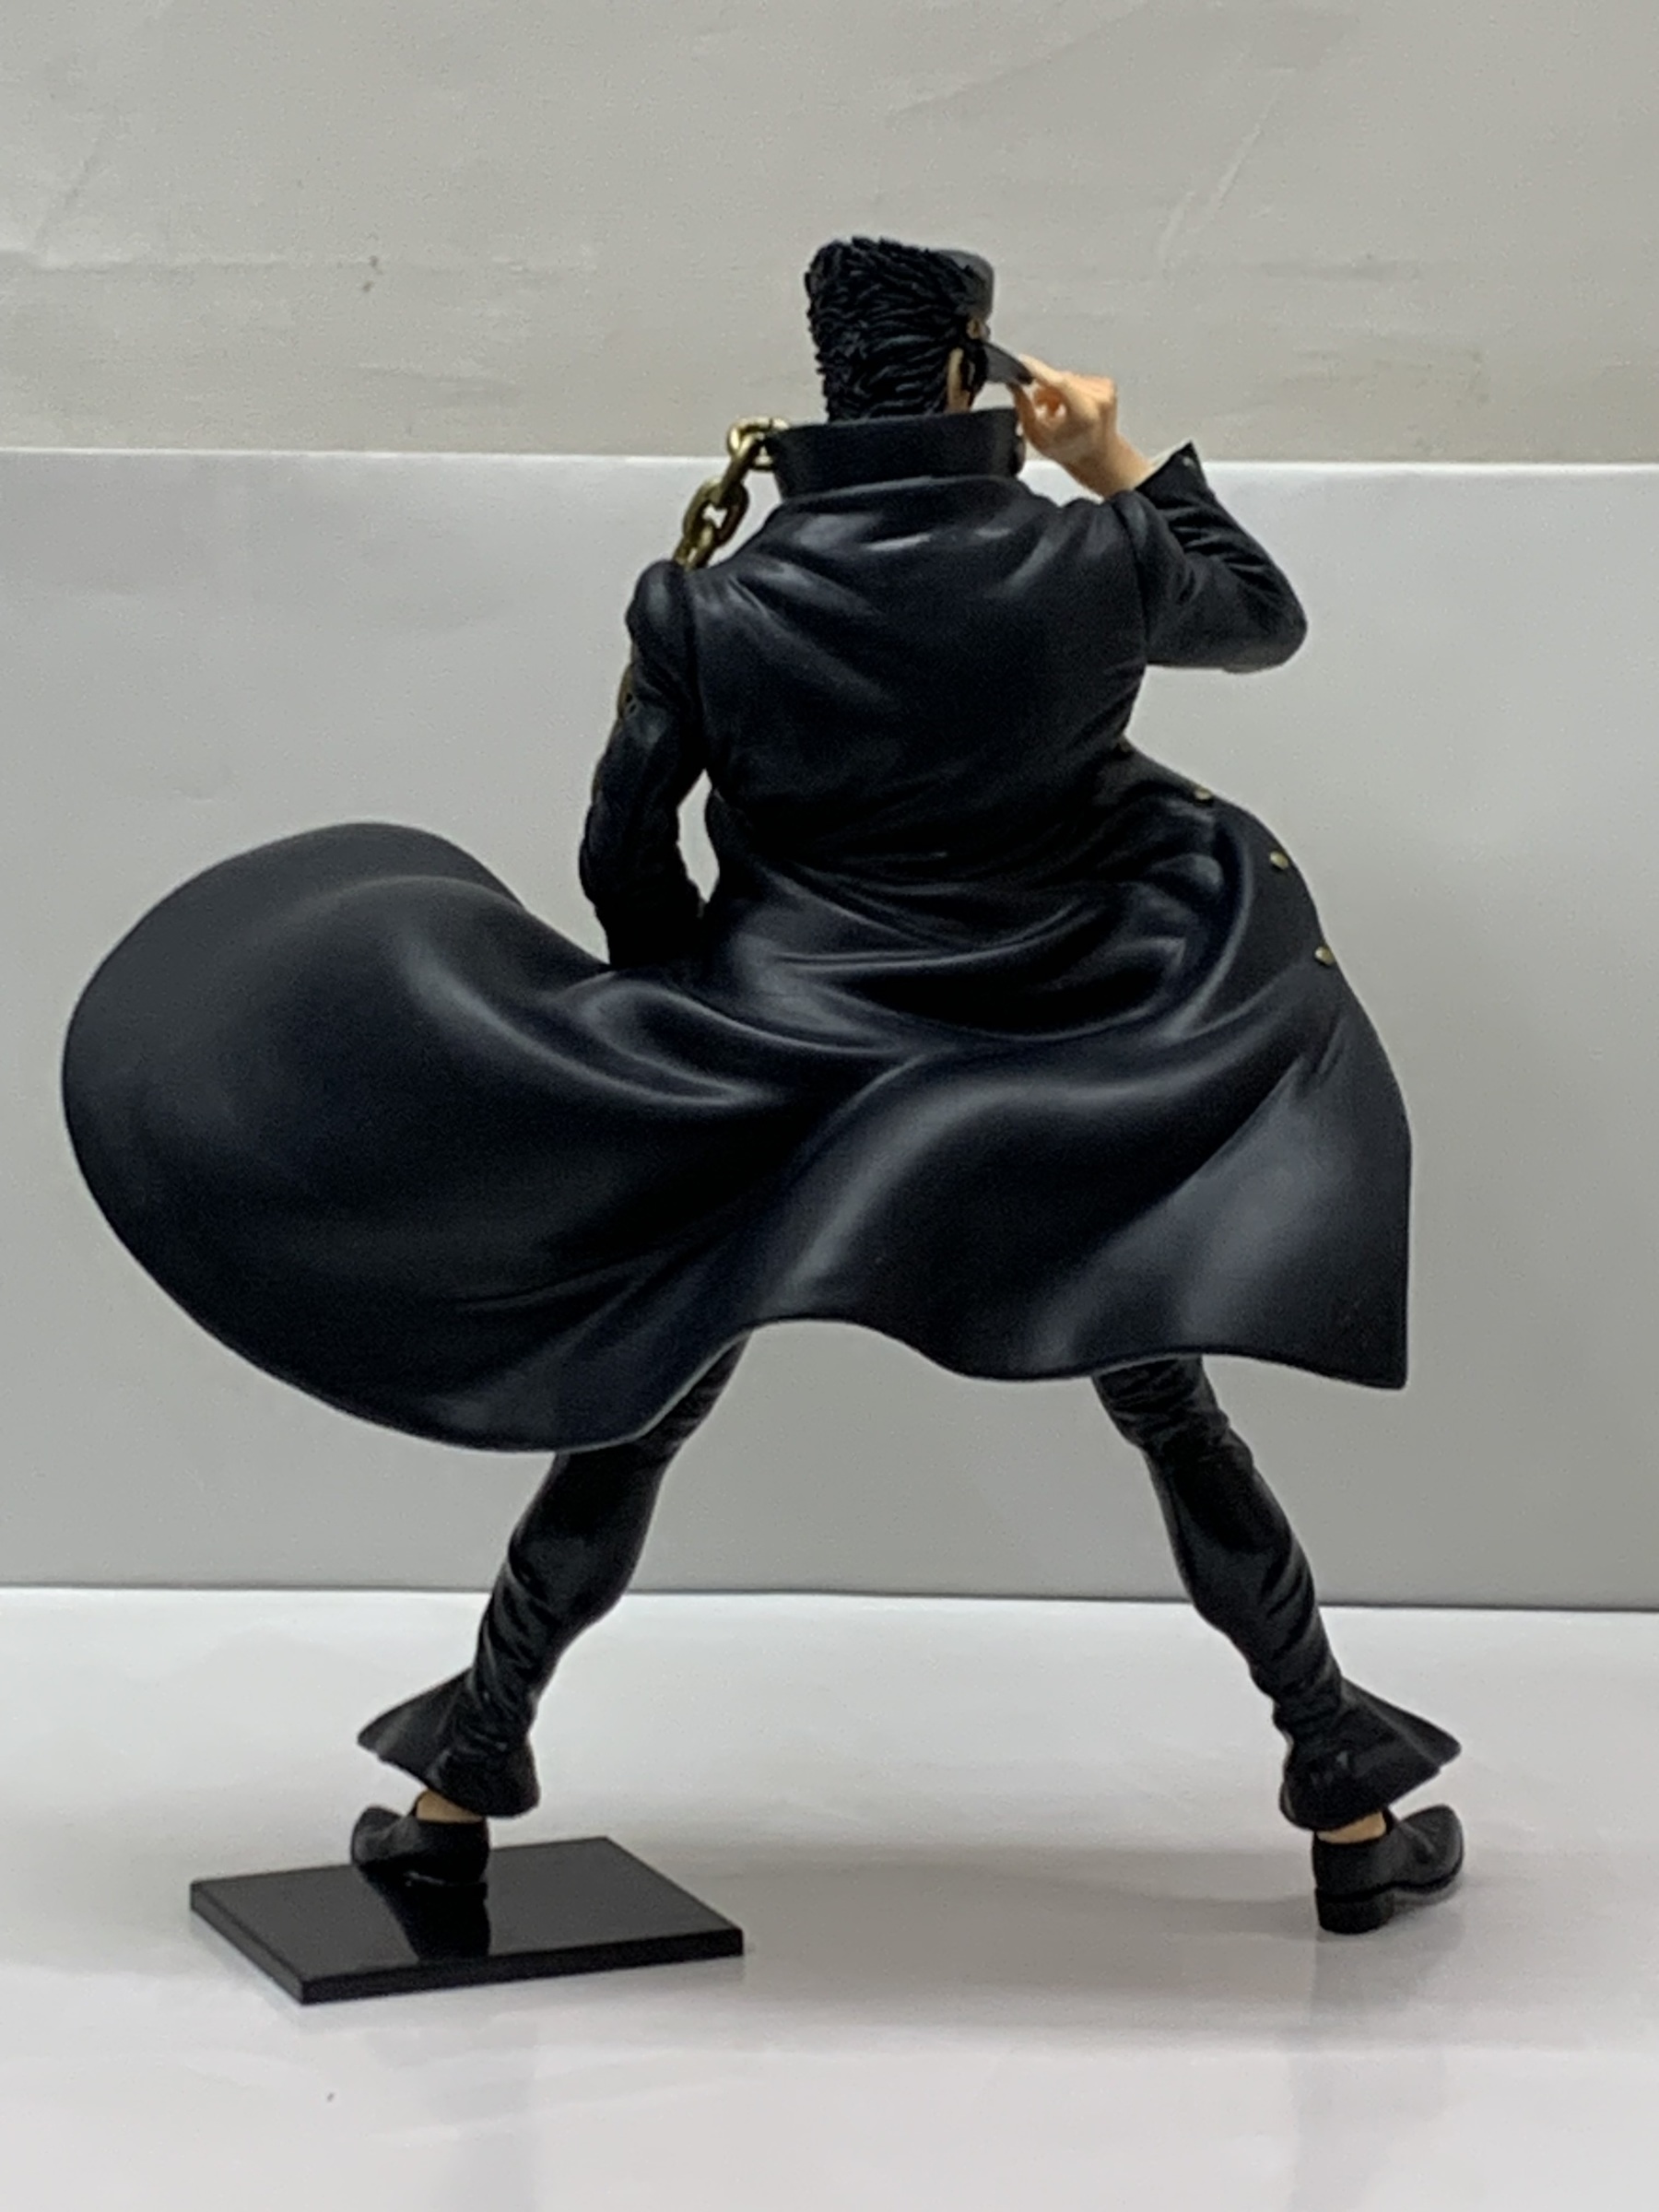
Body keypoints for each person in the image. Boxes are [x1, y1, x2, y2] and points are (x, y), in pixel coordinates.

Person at [62, 237, 1462, 1936]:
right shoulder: (1092, 557)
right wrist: (1113, 459)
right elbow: (1264, 619)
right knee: (1166, 1409)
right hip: (1059, 1066)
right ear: (970, 371)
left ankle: (460, 1785)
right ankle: (1341, 1790)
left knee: (643, 1404)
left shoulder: (709, 604)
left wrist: (696, 1031)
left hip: (783, 1056)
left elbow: (621, 850)